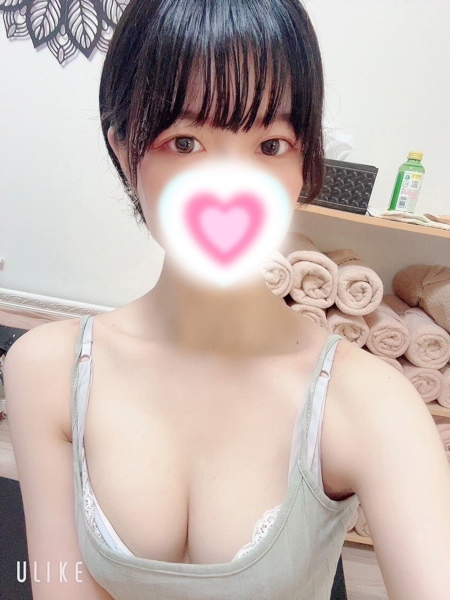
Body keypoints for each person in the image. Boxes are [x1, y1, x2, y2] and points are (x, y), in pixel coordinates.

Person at [4, 0, 450, 599]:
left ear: (304, 165)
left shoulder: (370, 403)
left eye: (271, 145)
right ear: (124, 151)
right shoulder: (48, 371)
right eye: (185, 142)